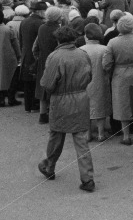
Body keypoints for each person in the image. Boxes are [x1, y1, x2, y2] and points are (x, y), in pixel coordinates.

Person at [36, 26, 96, 193]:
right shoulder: (83, 54)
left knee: (56, 135)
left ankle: (49, 166)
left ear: (58, 40)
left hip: (61, 100)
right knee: (81, 140)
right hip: (81, 99)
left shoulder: (54, 57)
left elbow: (47, 83)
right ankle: (87, 178)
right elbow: (90, 76)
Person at [107, 13, 133, 145]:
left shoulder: (113, 42)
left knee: (122, 103)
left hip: (120, 74)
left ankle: (126, 136)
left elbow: (106, 63)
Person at [79, 23, 113, 142]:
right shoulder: (104, 49)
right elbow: (108, 66)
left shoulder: (80, 50)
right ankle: (101, 133)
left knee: (86, 107)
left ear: (86, 36)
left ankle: (88, 134)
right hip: (101, 81)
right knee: (100, 106)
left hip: (84, 83)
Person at [32, 6, 64, 124]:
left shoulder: (41, 27)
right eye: (60, 15)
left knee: (43, 88)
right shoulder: (59, 30)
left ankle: (42, 115)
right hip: (56, 61)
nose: (62, 17)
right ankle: (54, 115)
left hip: (43, 60)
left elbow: (35, 46)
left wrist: (38, 57)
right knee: (55, 88)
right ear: (56, 17)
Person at [19, 1, 46, 113]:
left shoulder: (24, 21)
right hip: (35, 56)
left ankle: (28, 106)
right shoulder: (40, 23)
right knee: (36, 81)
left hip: (26, 54)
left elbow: (20, 39)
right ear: (39, 11)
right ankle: (35, 105)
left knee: (27, 83)